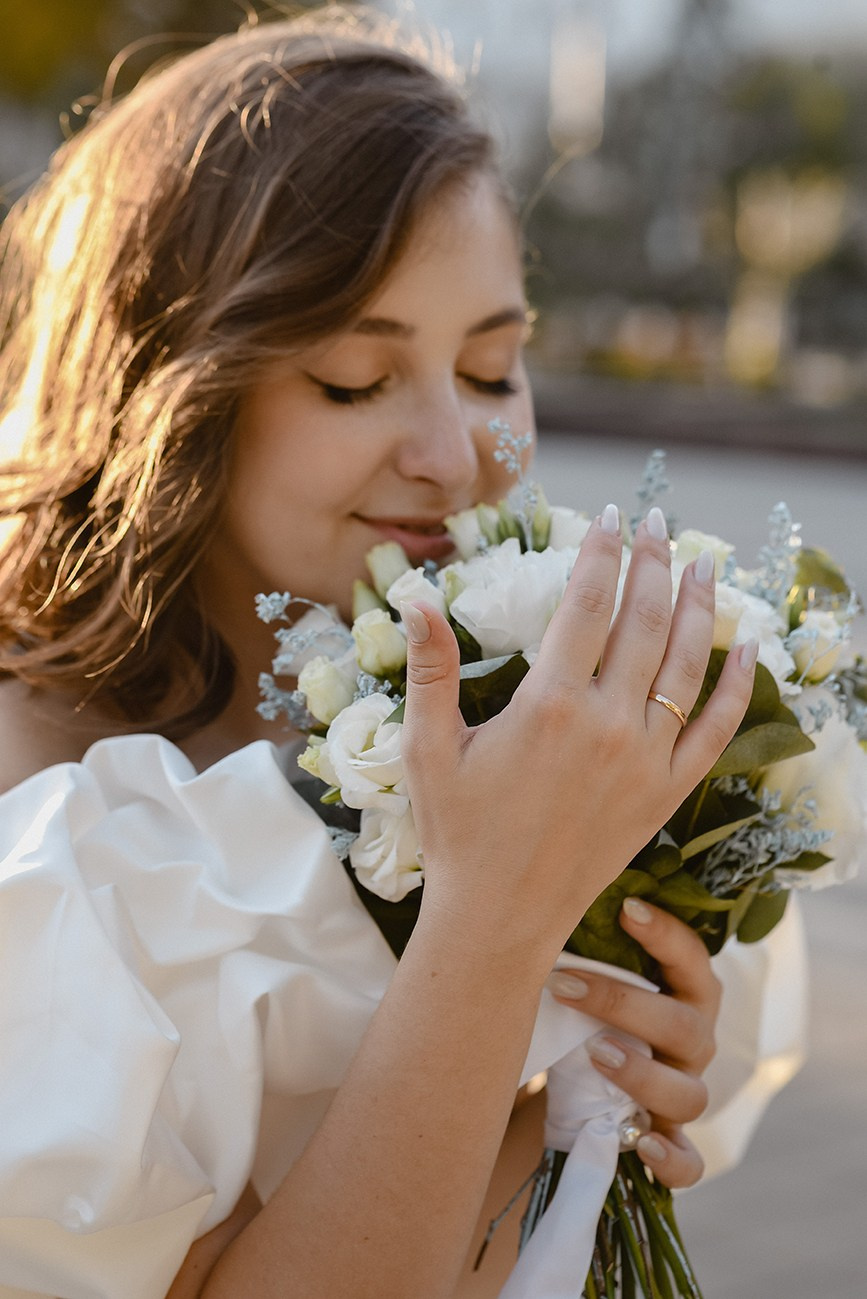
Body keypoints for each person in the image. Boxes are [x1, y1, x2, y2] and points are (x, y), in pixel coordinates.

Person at [0, 8, 764, 1298]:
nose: (453, 455)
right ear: (165, 385)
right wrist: (491, 931)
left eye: (492, 367)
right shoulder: (35, 817)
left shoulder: (488, 739)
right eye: (355, 380)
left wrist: (582, 1105)